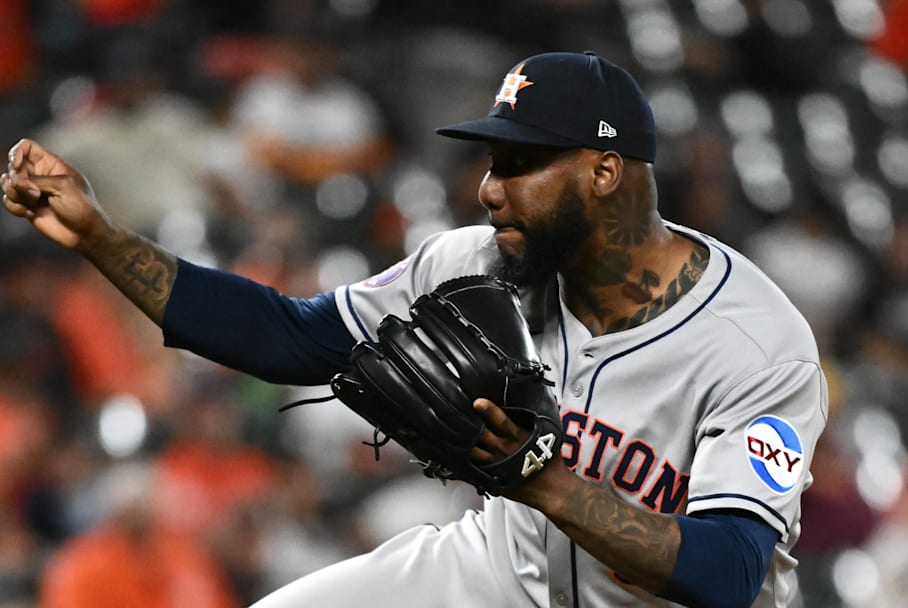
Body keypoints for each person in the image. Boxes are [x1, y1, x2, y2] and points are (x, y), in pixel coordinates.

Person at [4, 51, 828, 608]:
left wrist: (536, 480)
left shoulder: (757, 345)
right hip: (504, 573)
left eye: (518, 166)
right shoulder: (475, 262)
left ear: (605, 172)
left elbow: (727, 572)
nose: (488, 190)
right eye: (490, 163)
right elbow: (288, 338)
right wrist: (103, 240)